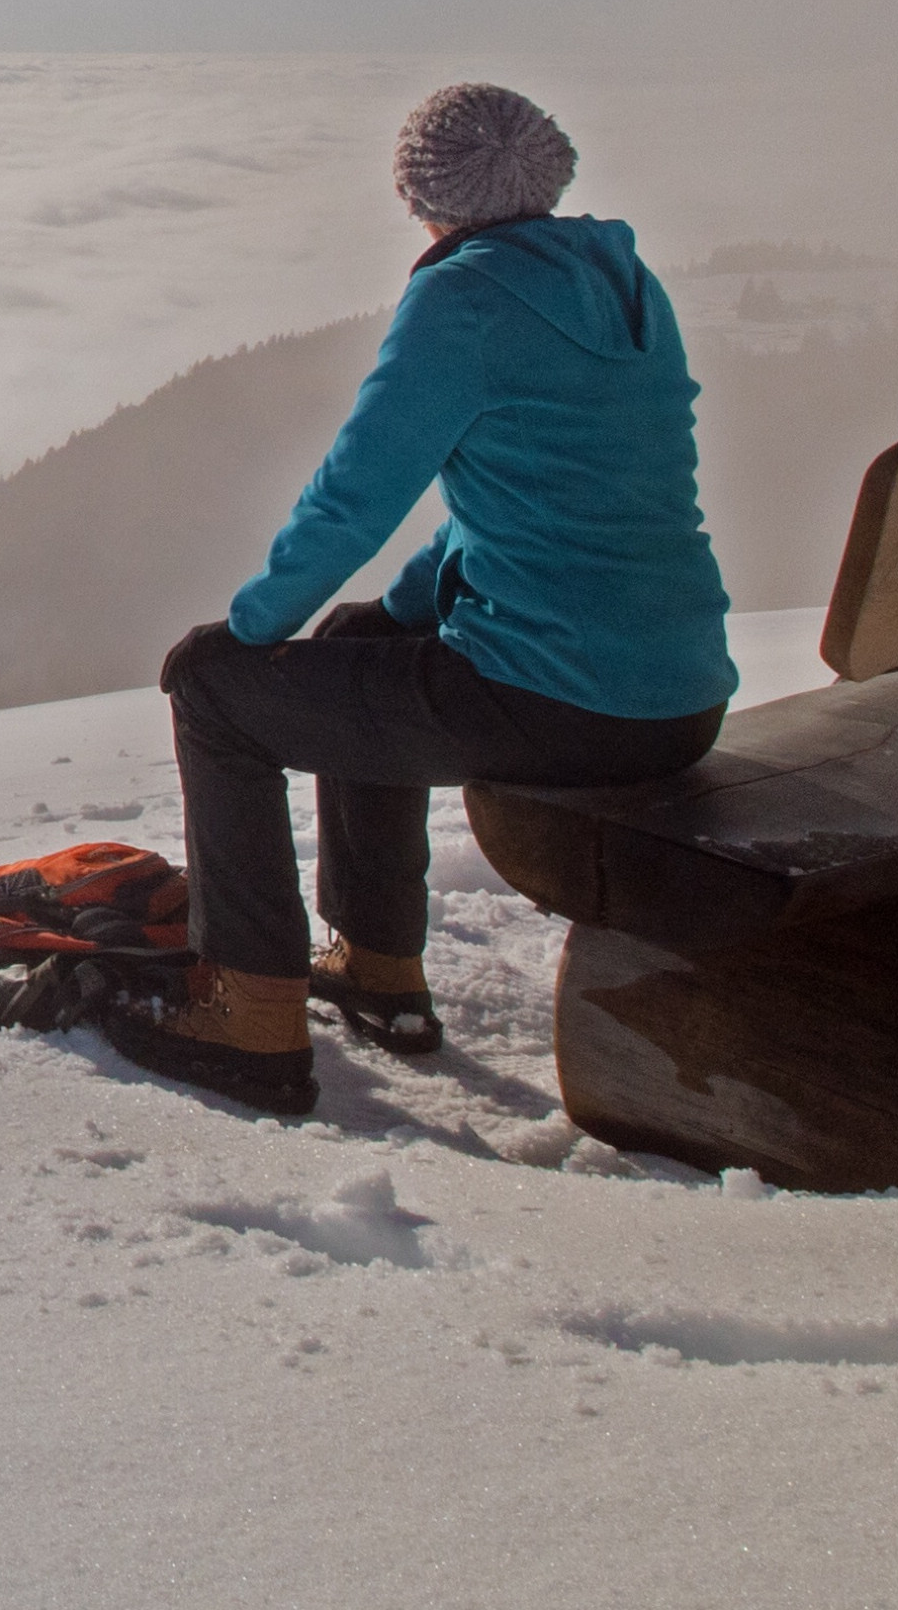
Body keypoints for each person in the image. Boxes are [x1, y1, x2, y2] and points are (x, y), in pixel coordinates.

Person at [95, 83, 734, 1116]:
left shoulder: (464, 298)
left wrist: (249, 632)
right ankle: (377, 971)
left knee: (214, 699)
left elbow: (353, 496)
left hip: (562, 705)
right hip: (678, 696)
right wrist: (389, 614)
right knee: (366, 641)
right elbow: (527, 504)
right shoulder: (621, 283)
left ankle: (248, 1012)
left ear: (421, 193)